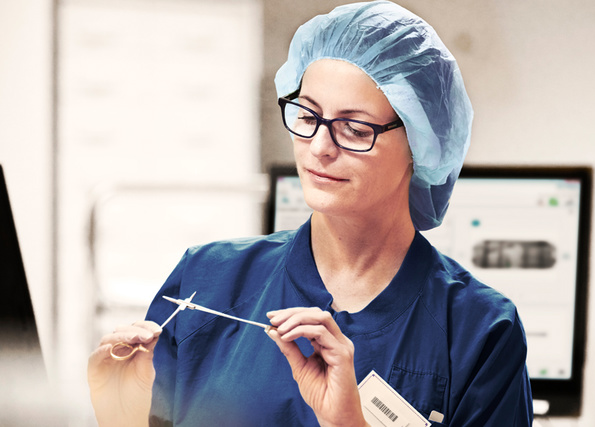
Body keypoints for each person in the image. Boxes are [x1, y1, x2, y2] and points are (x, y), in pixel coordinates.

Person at [88, 1, 533, 426]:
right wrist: (123, 418)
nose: (320, 147)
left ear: (422, 144)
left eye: (354, 128)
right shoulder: (207, 280)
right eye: (307, 115)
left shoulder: (480, 332)